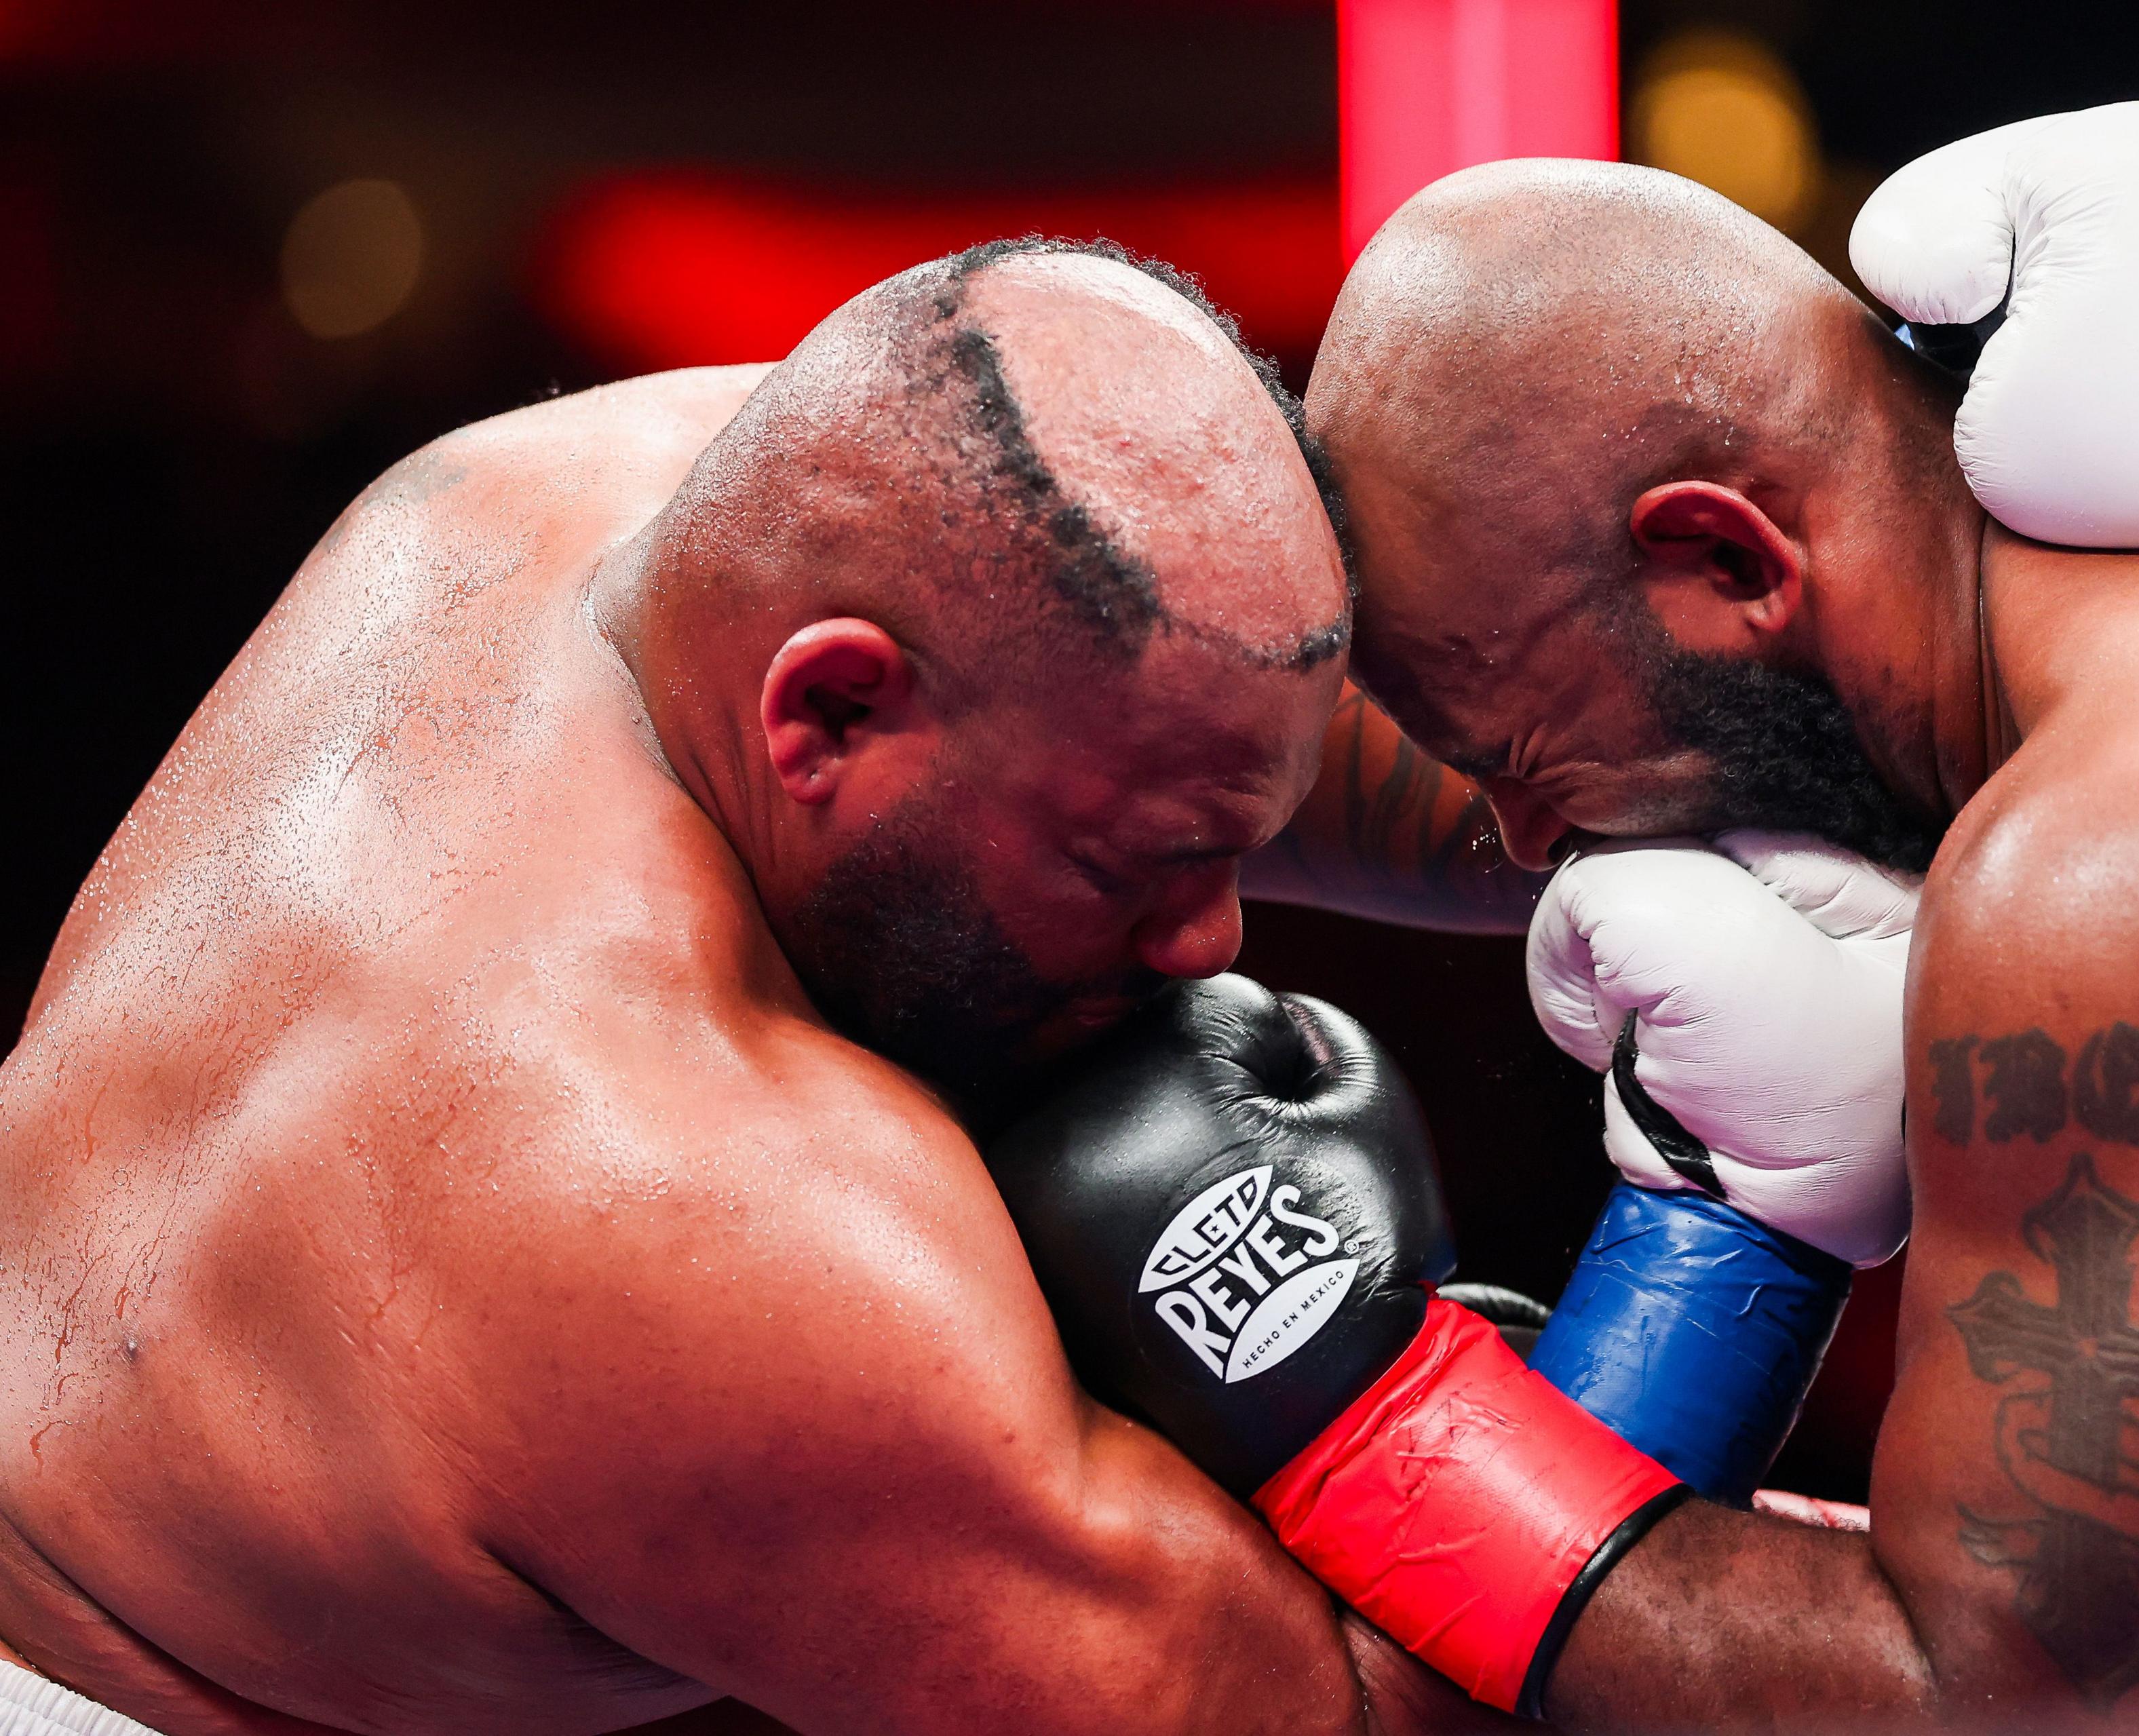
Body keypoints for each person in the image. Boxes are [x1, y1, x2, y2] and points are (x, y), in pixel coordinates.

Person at [1177, 155, 2139, 1734]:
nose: (1521, 840)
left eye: (1516, 759)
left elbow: (2021, 1711)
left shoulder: (2133, 867)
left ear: (1730, 560)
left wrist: (1362, 1423)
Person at [0, 238, 1473, 1736]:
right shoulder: (677, 1198)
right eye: (1130, 867)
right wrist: (1505, 1387)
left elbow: (1185, 733)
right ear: (826, 714)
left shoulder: (642, 485)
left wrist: (1617, 821)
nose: (1213, 942)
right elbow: (1324, 1715)